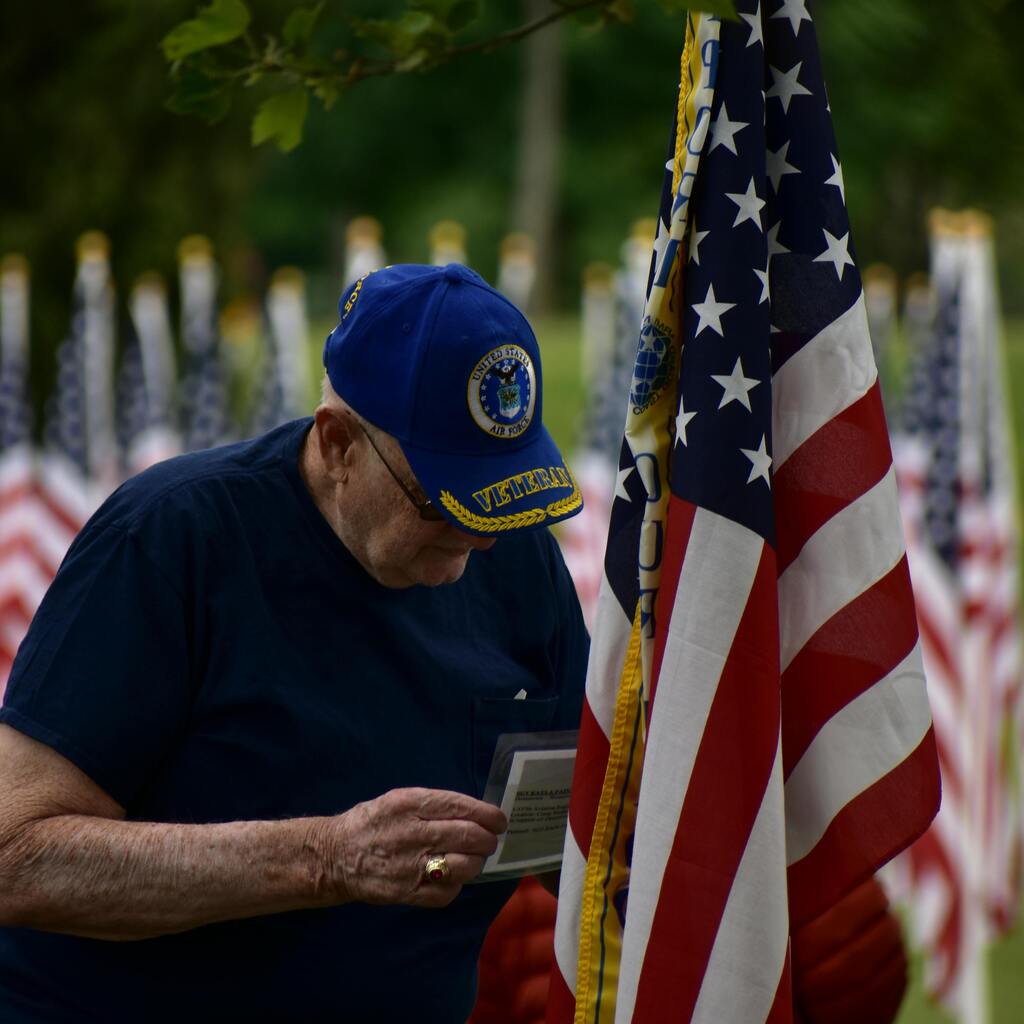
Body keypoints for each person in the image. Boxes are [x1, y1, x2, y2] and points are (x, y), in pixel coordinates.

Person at [0, 263, 590, 1022]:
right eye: (441, 505)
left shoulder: (511, 549)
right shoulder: (173, 539)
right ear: (338, 443)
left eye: (499, 499)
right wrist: (327, 858)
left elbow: (585, 803)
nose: (471, 547)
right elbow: (18, 857)